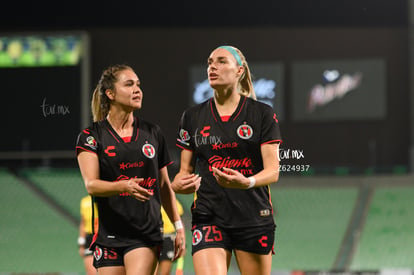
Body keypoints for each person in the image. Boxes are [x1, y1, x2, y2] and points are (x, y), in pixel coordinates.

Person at [172, 45, 282, 275]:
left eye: (222, 61)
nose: (213, 66)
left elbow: (273, 171)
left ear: (239, 71)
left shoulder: (262, 114)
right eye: (210, 62)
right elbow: (183, 172)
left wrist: (247, 182)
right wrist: (178, 184)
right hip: (208, 215)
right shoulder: (192, 117)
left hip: (253, 217)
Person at [76, 64, 185, 275]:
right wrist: (124, 186)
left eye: (138, 84)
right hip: (108, 235)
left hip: (146, 233)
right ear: (110, 94)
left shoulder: (152, 133)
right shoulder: (91, 137)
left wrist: (178, 227)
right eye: (129, 84)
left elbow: (164, 185)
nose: (137, 90)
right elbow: (92, 185)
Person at [155, 199, 185, 275]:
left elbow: (179, 222)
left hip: (168, 238)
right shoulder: (151, 199)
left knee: (165, 272)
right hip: (154, 238)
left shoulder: (173, 201)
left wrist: (183, 242)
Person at [78, 195, 98, 275]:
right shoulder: (84, 201)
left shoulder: (104, 199)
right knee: (91, 272)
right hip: (89, 238)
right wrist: (81, 243)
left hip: (102, 236)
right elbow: (83, 223)